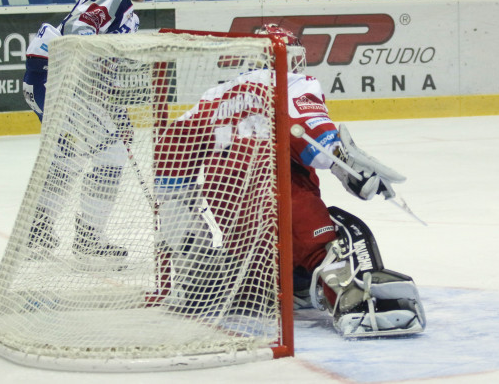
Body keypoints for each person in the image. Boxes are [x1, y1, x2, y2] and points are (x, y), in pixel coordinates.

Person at [153, 24, 426, 337]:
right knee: (335, 241)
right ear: (285, 56)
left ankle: (221, 279)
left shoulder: (214, 96)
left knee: (264, 269)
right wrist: (349, 169)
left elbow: (171, 145)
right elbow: (318, 146)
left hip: (230, 212)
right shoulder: (294, 82)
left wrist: (181, 219)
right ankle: (354, 304)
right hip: (279, 193)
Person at [22, 0, 163, 260]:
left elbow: (99, 57)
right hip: (58, 80)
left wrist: (107, 101)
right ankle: (88, 237)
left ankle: (39, 228)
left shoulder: (121, 5)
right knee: (111, 154)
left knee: (67, 156)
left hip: (50, 80)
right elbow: (78, 33)